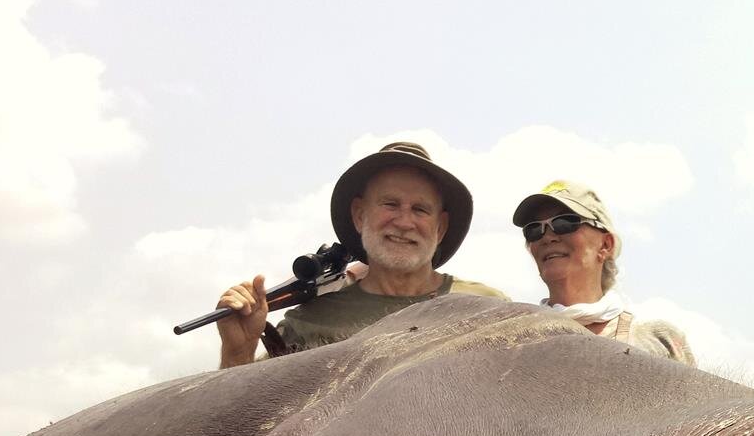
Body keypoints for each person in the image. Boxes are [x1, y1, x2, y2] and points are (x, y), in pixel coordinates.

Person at [212, 141, 507, 367]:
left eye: (420, 209)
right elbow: (249, 428)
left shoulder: (492, 310)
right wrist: (238, 351)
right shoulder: (307, 323)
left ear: (440, 227)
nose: (404, 222)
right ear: (359, 215)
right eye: (390, 204)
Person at [512, 181, 695, 364]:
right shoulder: (513, 344)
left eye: (564, 223)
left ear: (606, 245)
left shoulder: (658, 341)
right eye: (534, 229)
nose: (547, 236)